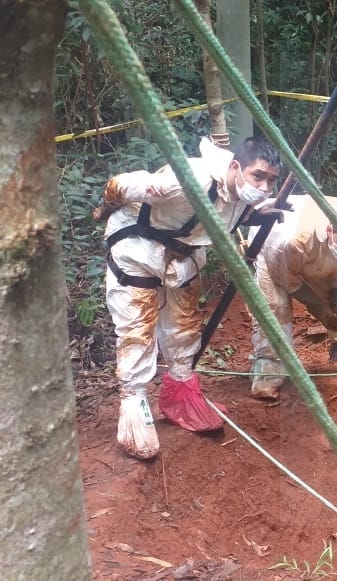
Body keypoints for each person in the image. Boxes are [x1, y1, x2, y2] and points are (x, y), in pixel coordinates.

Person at [98, 136, 283, 460]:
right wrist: (107, 204)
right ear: (236, 167)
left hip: (181, 258)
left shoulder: (240, 195)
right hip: (137, 250)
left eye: (271, 180)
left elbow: (221, 215)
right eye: (259, 176)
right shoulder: (187, 179)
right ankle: (134, 406)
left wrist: (257, 213)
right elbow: (121, 185)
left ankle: (181, 393)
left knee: (184, 326)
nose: (265, 186)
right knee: (138, 330)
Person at [248, 197, 337, 399]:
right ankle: (268, 375)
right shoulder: (292, 241)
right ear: (329, 230)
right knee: (275, 308)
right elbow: (291, 283)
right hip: (272, 252)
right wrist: (324, 313)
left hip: (316, 255)